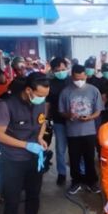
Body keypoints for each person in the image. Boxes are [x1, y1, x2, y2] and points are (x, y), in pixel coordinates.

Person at [0, 73, 51, 214]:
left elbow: (42, 122)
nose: (43, 99)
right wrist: (25, 145)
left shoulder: (40, 103)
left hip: (34, 158)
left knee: (34, 194)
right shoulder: (7, 106)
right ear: (28, 90)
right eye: (40, 95)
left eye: (45, 96)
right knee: (12, 199)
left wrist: (40, 138)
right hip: (12, 160)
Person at [60, 65, 103, 195]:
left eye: (81, 77)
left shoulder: (93, 90)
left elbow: (98, 110)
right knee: (74, 158)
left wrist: (90, 117)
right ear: (72, 76)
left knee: (89, 157)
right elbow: (61, 111)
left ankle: (92, 182)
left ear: (85, 75)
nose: (79, 80)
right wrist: (69, 115)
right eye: (76, 78)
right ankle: (76, 181)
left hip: (89, 131)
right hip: (73, 132)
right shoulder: (66, 92)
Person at [46, 57, 70, 186]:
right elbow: (48, 103)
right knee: (60, 149)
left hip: (74, 121)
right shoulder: (50, 84)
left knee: (76, 148)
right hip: (58, 120)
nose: (61, 71)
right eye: (58, 70)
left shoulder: (73, 81)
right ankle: (62, 173)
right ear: (53, 71)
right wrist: (45, 118)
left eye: (63, 69)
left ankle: (80, 172)